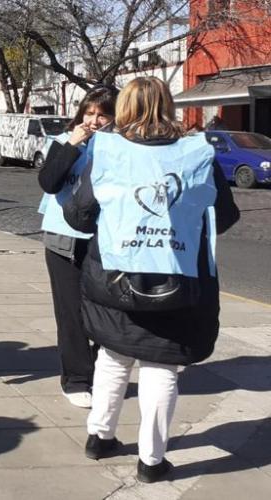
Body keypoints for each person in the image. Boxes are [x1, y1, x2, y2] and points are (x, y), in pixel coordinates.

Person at [63, 76, 239, 483]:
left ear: (124, 108)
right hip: (176, 279)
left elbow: (79, 214)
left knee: (112, 354)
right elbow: (224, 216)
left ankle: (100, 436)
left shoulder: (108, 151)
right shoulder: (197, 153)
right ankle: (152, 460)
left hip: (113, 277)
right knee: (162, 366)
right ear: (169, 106)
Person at [37, 85, 118, 408]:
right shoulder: (62, 141)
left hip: (105, 240)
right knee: (71, 312)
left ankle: (101, 372)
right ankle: (76, 378)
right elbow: (48, 182)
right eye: (89, 112)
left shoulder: (122, 146)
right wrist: (72, 145)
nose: (95, 120)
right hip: (63, 239)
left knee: (104, 311)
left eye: (102, 114)